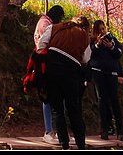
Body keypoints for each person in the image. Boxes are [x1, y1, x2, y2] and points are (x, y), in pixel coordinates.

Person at [37, 15, 92, 150]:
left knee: (57, 109)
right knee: (73, 108)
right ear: (85, 26)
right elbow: (85, 59)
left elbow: (40, 46)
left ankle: (64, 144)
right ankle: (80, 144)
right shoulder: (84, 36)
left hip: (52, 67)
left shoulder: (54, 27)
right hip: (71, 71)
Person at [33, 5, 65, 145]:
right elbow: (44, 44)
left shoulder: (46, 22)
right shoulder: (45, 24)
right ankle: (48, 131)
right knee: (47, 97)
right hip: (45, 63)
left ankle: (52, 130)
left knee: (52, 97)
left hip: (48, 62)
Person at [90, 20, 123, 140]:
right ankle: (104, 129)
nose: (102, 31)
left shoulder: (113, 40)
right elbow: (89, 54)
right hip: (98, 72)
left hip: (112, 73)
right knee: (102, 101)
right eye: (99, 30)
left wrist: (111, 46)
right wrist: (98, 45)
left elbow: (118, 54)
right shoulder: (93, 41)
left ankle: (120, 131)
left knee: (114, 100)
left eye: (103, 28)